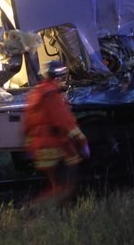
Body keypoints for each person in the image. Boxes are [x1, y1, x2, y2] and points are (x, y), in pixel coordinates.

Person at [23, 60, 90, 204]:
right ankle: (36, 209)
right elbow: (65, 123)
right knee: (66, 187)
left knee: (56, 185)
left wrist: (30, 147)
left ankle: (55, 213)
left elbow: (27, 124)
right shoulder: (53, 95)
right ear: (59, 77)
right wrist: (83, 142)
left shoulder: (37, 92)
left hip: (40, 148)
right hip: (56, 147)